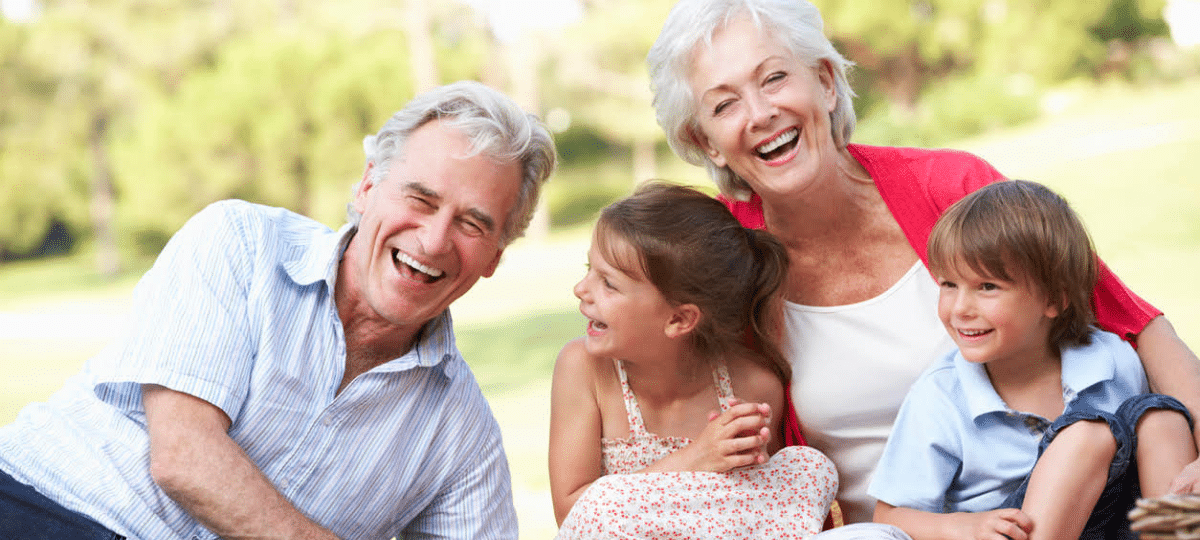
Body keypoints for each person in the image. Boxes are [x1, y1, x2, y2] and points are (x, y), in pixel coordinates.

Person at [646, 0, 1200, 525]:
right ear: (707, 142)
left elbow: (1134, 323)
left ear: (825, 81)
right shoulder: (717, 260)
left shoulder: (953, 189)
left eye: (774, 78)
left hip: (1078, 499)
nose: (761, 113)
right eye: (724, 104)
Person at [0, 80, 556, 540]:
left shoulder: (462, 433)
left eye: (472, 223)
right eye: (421, 199)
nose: (434, 241)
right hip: (47, 509)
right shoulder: (240, 243)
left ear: (494, 257)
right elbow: (183, 455)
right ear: (367, 186)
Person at [869, 180, 1198, 539]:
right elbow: (890, 516)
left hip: (1119, 524)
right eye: (948, 284)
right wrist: (963, 527)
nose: (960, 308)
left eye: (987, 287)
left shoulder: (1111, 359)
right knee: (1086, 435)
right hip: (1015, 529)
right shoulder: (941, 395)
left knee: (1162, 418)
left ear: (1053, 300)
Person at [549, 182, 845, 538]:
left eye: (608, 284)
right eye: (589, 269)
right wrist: (695, 460)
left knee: (807, 468)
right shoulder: (584, 369)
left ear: (679, 320)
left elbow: (753, 514)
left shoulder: (750, 388)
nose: (581, 289)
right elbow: (575, 514)